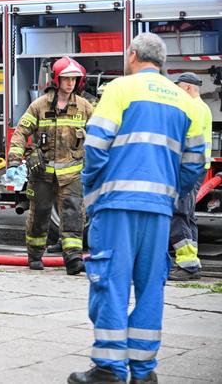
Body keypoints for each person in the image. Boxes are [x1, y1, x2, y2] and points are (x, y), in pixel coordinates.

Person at [69, 33, 205, 384]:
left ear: (132, 55)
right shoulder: (185, 100)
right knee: (150, 287)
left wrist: (91, 192)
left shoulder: (120, 89)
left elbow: (96, 146)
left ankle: (110, 369)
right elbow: (194, 164)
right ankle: (143, 372)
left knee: (111, 283)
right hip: (159, 210)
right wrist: (171, 195)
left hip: (117, 205)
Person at [7, 56, 93, 274]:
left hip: (72, 173)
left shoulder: (84, 107)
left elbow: (99, 136)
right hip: (42, 173)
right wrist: (14, 161)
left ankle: (73, 258)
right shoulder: (39, 105)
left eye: (74, 79)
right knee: (40, 213)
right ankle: (35, 255)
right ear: (56, 79)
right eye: (66, 79)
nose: (70, 83)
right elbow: (20, 133)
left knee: (74, 214)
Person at [168, 72, 212, 281]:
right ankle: (191, 262)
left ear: (186, 88)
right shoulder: (203, 107)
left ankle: (187, 266)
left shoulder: (192, 107)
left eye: (177, 88)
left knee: (179, 215)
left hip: (188, 169)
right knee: (187, 214)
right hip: (197, 168)